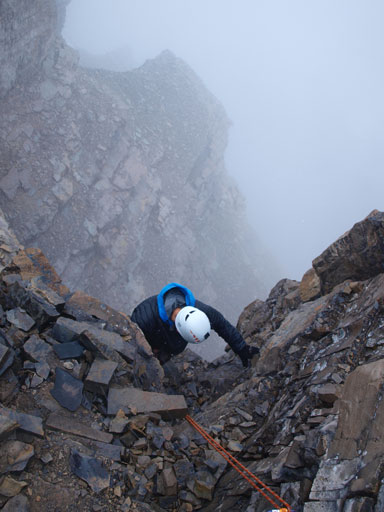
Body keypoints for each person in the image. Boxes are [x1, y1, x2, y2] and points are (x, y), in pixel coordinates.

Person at [131, 282, 259, 366]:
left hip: (166, 346)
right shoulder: (144, 317)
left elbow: (221, 324)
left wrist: (242, 348)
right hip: (150, 343)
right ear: (178, 329)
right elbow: (131, 342)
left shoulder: (199, 312)